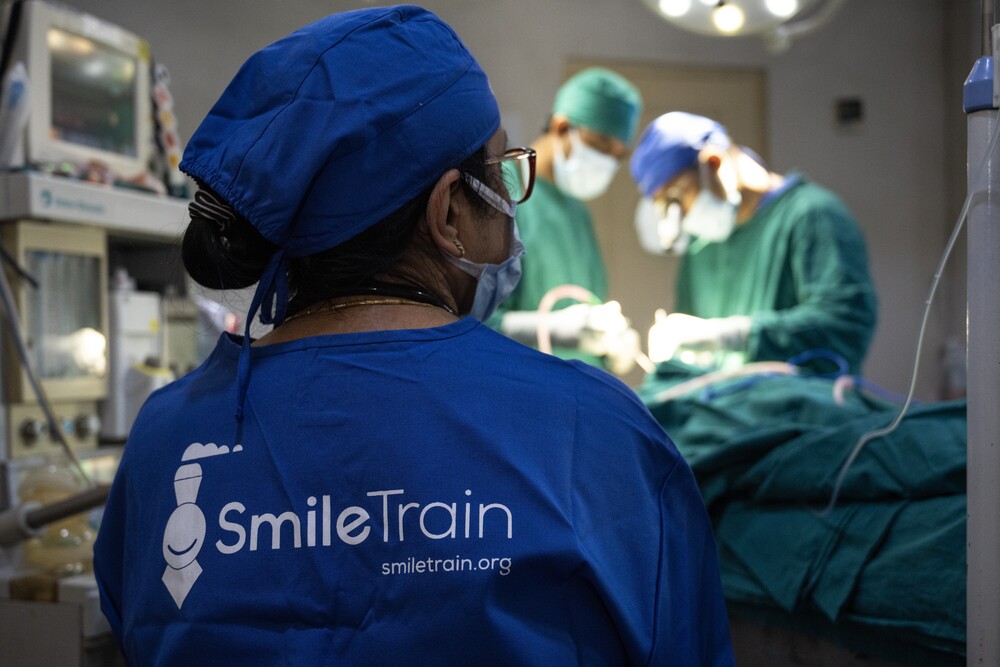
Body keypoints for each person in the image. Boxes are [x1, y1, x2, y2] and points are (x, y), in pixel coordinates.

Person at [92, 8, 735, 666]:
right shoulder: (599, 436)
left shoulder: (165, 442)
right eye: (502, 174)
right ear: (448, 209)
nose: (513, 224)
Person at [630, 111, 878, 374]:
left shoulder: (813, 215)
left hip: (799, 407)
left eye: (676, 201)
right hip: (722, 404)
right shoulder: (702, 244)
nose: (682, 217)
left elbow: (845, 326)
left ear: (712, 163)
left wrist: (736, 336)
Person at [491, 67, 644, 370]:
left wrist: (611, 344)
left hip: (576, 393)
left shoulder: (578, 214)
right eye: (601, 146)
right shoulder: (501, 189)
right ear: (561, 127)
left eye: (619, 155)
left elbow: (590, 305)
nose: (609, 163)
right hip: (519, 389)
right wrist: (548, 329)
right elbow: (465, 319)